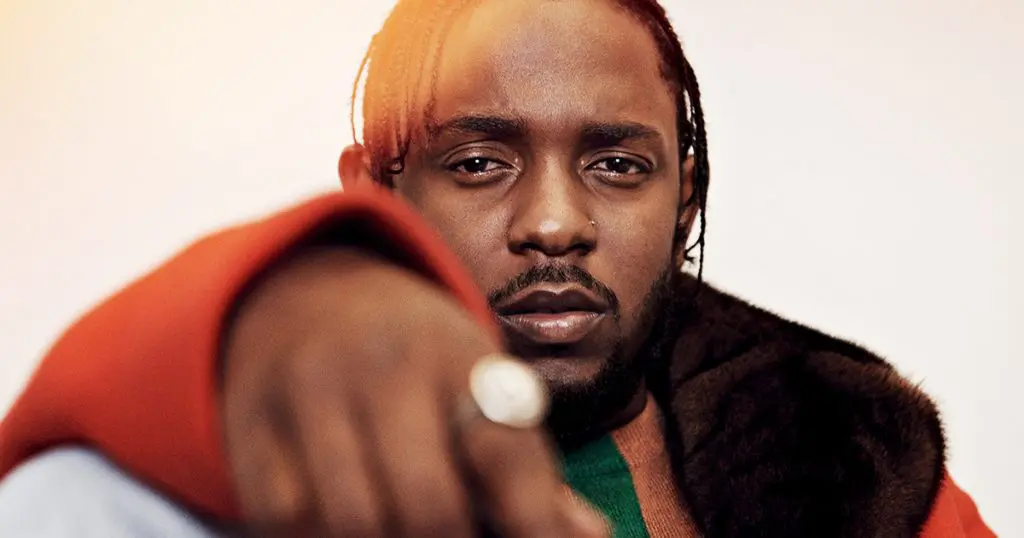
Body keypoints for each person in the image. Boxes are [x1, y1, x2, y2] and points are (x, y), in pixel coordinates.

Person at [0, 0, 996, 536]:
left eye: (617, 165)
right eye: (479, 162)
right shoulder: (179, 491)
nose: (554, 224)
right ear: (375, 194)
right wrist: (261, 302)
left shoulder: (876, 483)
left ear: (683, 197)